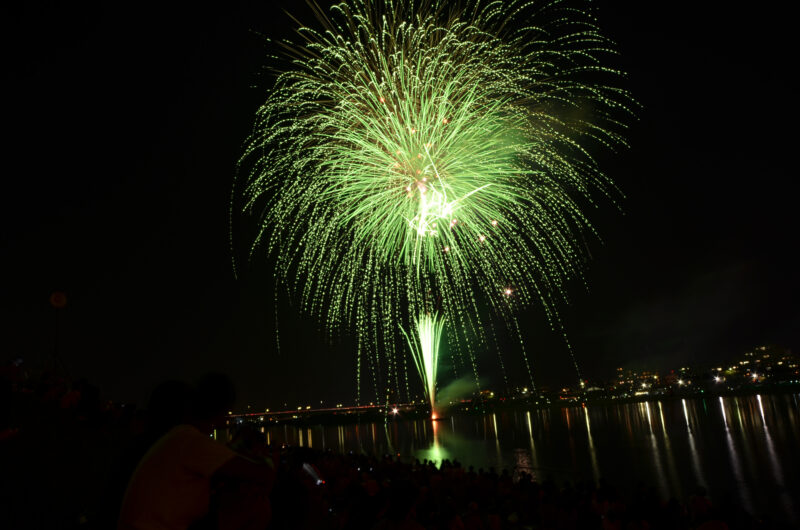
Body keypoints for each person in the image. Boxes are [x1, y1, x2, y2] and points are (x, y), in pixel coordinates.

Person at [118, 373, 273, 530]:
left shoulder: (178, 438)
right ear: (221, 411)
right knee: (256, 503)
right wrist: (266, 457)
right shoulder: (191, 441)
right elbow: (264, 474)